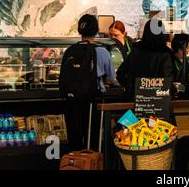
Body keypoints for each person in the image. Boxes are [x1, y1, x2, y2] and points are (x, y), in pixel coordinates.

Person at [60, 14, 119, 150]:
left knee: (74, 140)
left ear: (80, 30)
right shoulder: (102, 52)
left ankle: (74, 163)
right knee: (92, 139)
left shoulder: (70, 50)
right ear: (96, 31)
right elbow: (112, 78)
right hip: (92, 101)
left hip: (72, 101)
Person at [116, 18, 173, 101]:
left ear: (145, 33)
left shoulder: (135, 51)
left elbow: (120, 73)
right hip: (157, 102)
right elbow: (166, 81)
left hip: (135, 100)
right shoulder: (165, 54)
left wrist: (130, 87)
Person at [171, 33, 189, 99]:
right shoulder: (170, 62)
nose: (188, 50)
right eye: (187, 47)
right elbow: (172, 84)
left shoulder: (183, 61)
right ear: (180, 50)